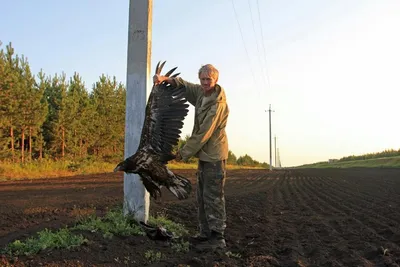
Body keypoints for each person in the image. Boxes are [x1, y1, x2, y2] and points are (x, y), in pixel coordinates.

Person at [153, 63, 229, 251]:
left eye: (208, 80)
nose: (205, 83)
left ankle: (217, 238)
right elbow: (185, 86)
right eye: (202, 79)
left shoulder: (217, 104)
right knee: (202, 196)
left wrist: (183, 153)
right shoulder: (202, 93)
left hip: (214, 157)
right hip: (205, 157)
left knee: (213, 197)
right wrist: (165, 79)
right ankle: (205, 234)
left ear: (215, 80)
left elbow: (204, 133)